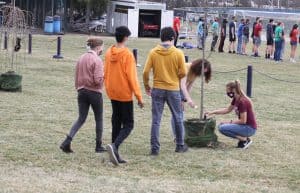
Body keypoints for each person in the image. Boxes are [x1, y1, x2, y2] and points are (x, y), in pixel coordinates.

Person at [143, 27, 188, 156]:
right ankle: (180, 145)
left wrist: (147, 85)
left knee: (156, 119)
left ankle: (155, 148)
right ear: (173, 38)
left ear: (161, 37)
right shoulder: (178, 53)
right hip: (173, 89)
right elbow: (183, 72)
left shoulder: (153, 52)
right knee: (178, 117)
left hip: (157, 88)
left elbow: (145, 72)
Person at [104, 26, 144, 165]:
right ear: (125, 37)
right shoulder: (127, 54)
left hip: (112, 92)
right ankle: (115, 146)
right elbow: (132, 77)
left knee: (116, 121)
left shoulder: (109, 52)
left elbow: (106, 71)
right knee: (128, 124)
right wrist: (139, 96)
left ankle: (114, 153)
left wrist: (108, 87)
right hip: (124, 93)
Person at [60, 37, 106, 153]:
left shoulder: (81, 58)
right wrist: (104, 78)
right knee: (99, 119)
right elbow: (97, 80)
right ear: (98, 47)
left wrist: (79, 88)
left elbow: (76, 76)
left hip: (81, 91)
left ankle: (67, 141)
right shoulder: (97, 60)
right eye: (102, 47)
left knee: (81, 118)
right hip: (95, 93)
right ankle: (98, 145)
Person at [206, 80, 257, 149]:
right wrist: (212, 112)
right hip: (245, 126)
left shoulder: (242, 102)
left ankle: (245, 140)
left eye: (227, 90)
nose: (227, 92)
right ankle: (243, 140)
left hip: (249, 128)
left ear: (233, 90)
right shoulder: (236, 99)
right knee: (222, 125)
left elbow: (243, 121)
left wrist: (228, 122)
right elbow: (227, 110)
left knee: (222, 128)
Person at [171, 59, 212, 140]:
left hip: (179, 90)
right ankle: (178, 136)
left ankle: (178, 136)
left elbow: (189, 86)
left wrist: (184, 99)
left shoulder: (196, 73)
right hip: (172, 87)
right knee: (178, 114)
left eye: (205, 73)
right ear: (199, 67)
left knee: (179, 113)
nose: (202, 74)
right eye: (203, 71)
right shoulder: (186, 67)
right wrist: (188, 100)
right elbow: (182, 85)